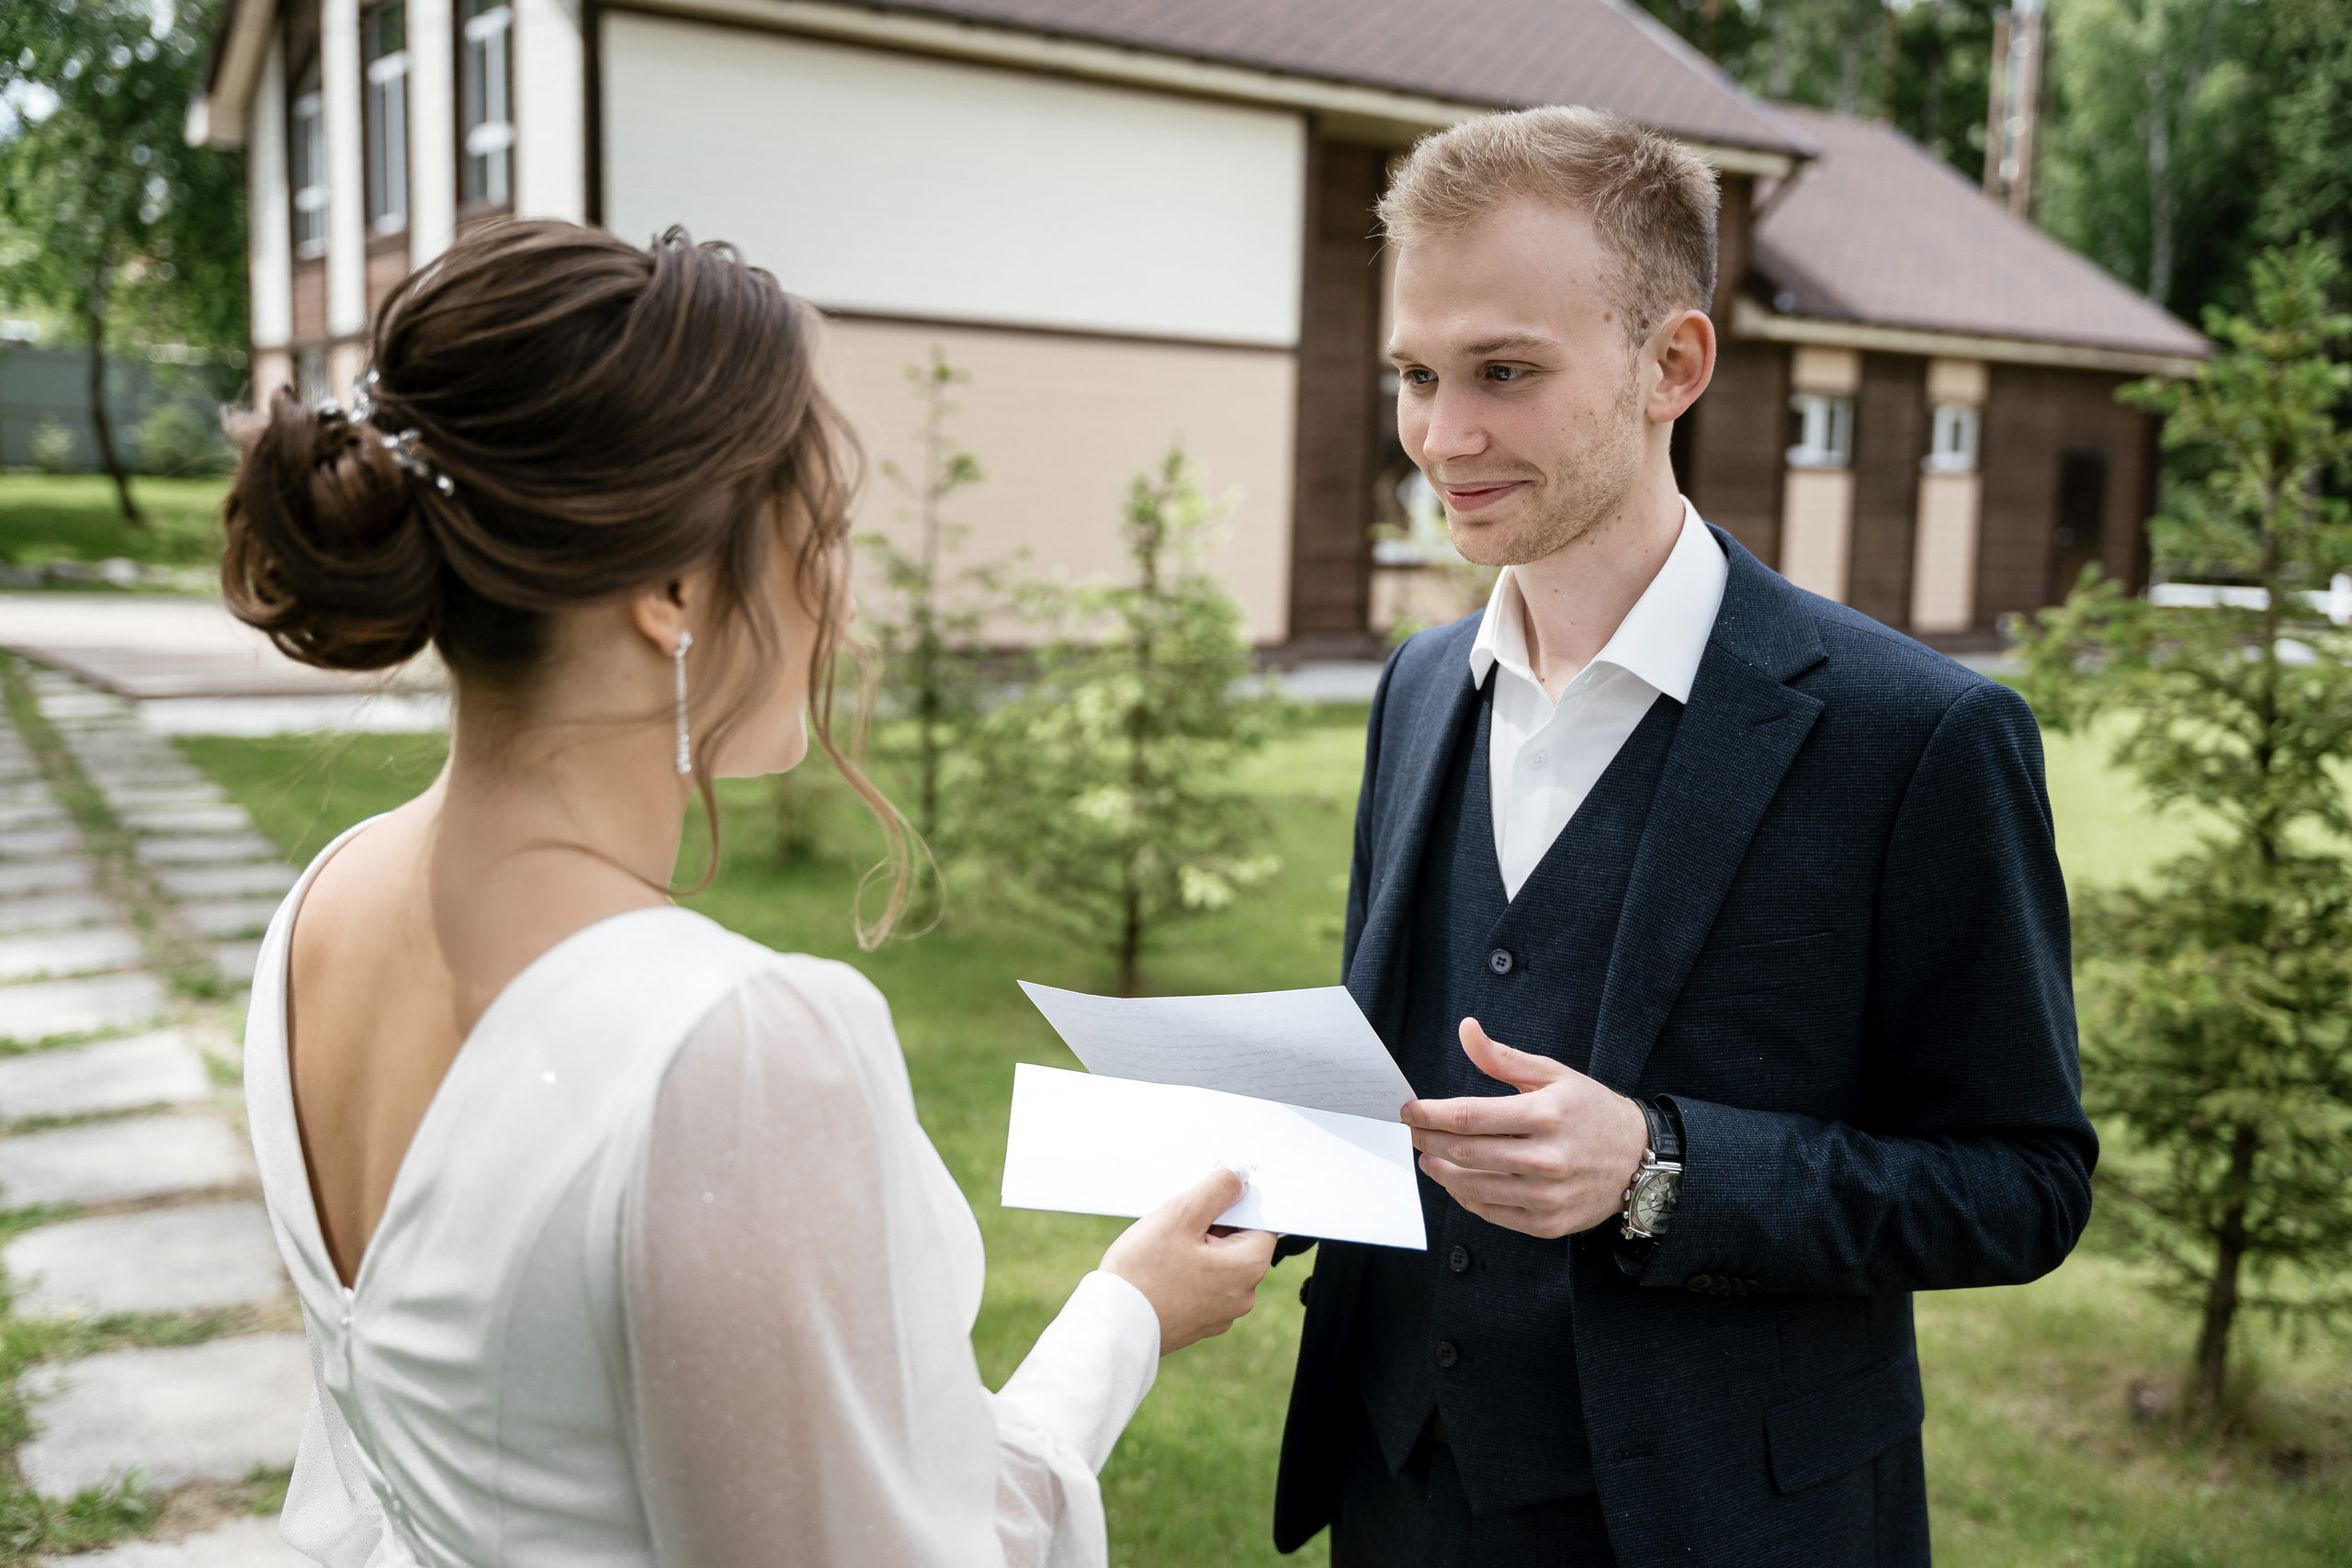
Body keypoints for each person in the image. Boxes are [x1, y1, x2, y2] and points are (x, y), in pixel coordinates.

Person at [224, 219, 1275, 1568]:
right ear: (670, 586)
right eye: (815, 532)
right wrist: (1126, 1317)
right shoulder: (728, 1046)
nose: (838, 591)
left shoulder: (321, 905)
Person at [1272, 107, 2097, 1567]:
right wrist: (1261, 1164)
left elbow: (2023, 1183)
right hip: (1400, 1494)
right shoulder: (1414, 690)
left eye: (1504, 373)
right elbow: (1396, 1058)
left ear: (1676, 364)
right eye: (1416, 373)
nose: (1439, 436)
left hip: (1727, 1521)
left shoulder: (1918, 738)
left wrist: (1661, 1168)